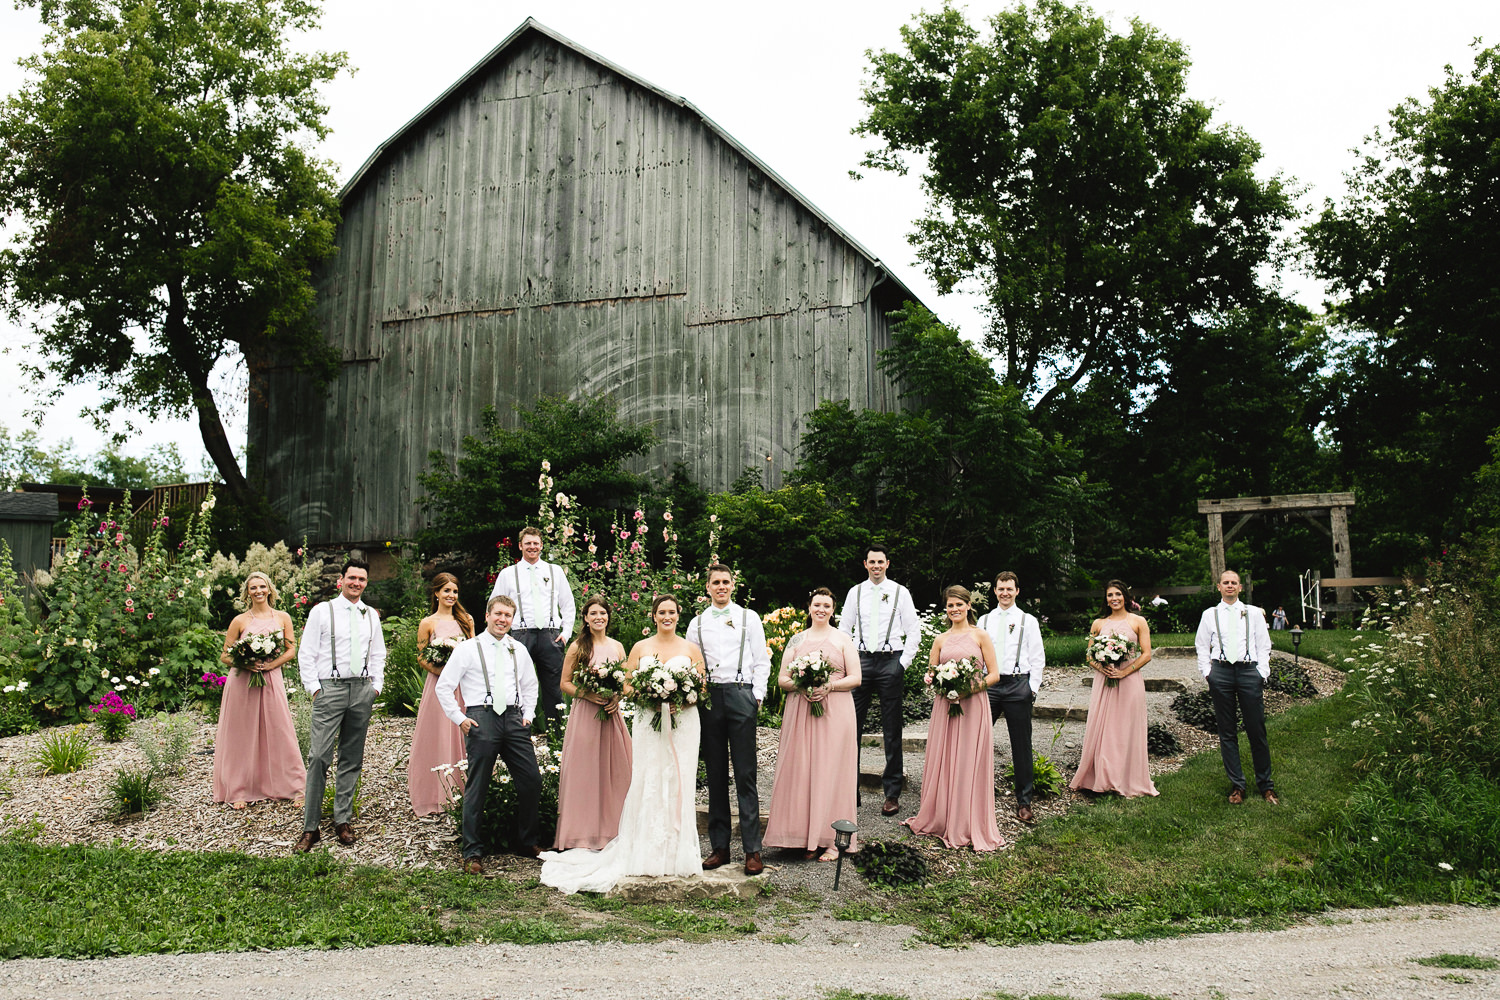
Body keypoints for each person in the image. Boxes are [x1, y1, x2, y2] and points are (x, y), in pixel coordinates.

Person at [539, 594, 707, 894]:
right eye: (661, 612)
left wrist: (679, 698)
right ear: (653, 616)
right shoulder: (640, 648)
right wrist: (651, 697)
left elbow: (702, 684)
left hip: (683, 723)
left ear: (678, 615)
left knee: (679, 779)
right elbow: (628, 683)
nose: (666, 616)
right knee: (648, 777)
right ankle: (646, 850)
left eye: (671, 612)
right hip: (649, 720)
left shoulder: (691, 648)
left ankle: (678, 851)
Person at [436, 594, 543, 874]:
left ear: (512, 619)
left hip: (513, 718)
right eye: (498, 614)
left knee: (531, 779)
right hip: (480, 717)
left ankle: (526, 841)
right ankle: (472, 851)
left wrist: (528, 715)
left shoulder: (518, 649)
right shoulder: (467, 648)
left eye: (508, 615)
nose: (502, 619)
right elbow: (444, 686)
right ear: (487, 615)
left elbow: (530, 685)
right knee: (477, 786)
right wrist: (460, 718)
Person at [294, 558, 387, 852]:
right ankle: (310, 828)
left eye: (361, 579)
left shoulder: (370, 614)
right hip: (330, 689)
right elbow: (306, 653)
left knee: (351, 757)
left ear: (366, 582)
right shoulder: (323, 611)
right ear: (341, 579)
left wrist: (376, 686)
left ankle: (342, 820)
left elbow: (378, 653)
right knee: (319, 757)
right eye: (351, 578)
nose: (356, 583)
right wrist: (315, 689)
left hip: (361, 689)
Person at [763, 587, 863, 860]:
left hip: (836, 713)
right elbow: (782, 680)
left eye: (827, 605)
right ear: (809, 607)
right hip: (801, 711)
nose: (821, 609)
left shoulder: (843, 639)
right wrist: (802, 685)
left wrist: (828, 685)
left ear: (833, 610)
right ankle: (802, 837)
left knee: (832, 771)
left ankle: (832, 840)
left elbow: (856, 678)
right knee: (802, 769)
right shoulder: (797, 640)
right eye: (817, 604)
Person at [687, 564, 772, 876]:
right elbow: (692, 664)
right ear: (708, 588)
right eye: (715, 583)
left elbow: (761, 660)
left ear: (732, 585)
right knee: (716, 774)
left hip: (740, 695)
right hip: (711, 698)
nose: (721, 587)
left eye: (725, 582)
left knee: (746, 774)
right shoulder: (696, 624)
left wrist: (757, 697)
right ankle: (720, 848)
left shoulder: (749, 618)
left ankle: (752, 850)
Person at [904, 586, 1003, 850]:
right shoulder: (939, 639)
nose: (954, 609)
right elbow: (931, 673)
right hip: (945, 707)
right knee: (945, 757)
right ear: (945, 609)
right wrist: (936, 681)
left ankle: (968, 820)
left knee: (969, 757)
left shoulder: (980, 635)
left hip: (973, 705)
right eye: (950, 605)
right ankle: (942, 815)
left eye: (959, 604)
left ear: (969, 606)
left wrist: (967, 689)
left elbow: (994, 675)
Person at [839, 544, 920, 817]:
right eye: (871, 562)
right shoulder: (855, 592)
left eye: (880, 562)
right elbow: (843, 630)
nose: (876, 566)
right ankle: (850, 792)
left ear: (888, 563)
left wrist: (901, 665)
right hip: (860, 661)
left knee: (892, 730)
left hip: (890, 661)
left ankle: (892, 793)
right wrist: (847, 663)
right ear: (865, 564)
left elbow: (914, 632)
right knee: (851, 727)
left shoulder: (900, 592)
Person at [214, 571, 305, 810]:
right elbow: (225, 655)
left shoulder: (283, 617)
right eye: (253, 588)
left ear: (269, 589)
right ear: (247, 593)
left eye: (262, 586)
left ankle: (294, 787)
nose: (258, 591)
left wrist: (269, 665)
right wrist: (246, 662)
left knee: (279, 731)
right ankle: (238, 790)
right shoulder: (240, 621)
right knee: (242, 735)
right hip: (243, 682)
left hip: (271, 679)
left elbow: (290, 650)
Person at [553, 596, 632, 849]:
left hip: (610, 715)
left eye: (603, 612)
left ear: (608, 616)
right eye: (593, 613)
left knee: (616, 771)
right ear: (585, 618)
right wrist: (588, 694)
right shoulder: (578, 647)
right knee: (585, 771)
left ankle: (614, 829)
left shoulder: (618, 646)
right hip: (586, 713)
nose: (599, 617)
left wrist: (616, 697)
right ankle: (582, 833)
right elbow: (564, 683)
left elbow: (626, 681)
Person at [1195, 570, 1277, 805]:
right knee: (1227, 731)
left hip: (1248, 671)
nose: (1230, 586)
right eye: (1225, 583)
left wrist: (1262, 672)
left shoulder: (1253, 613)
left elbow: (1264, 644)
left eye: (1234, 583)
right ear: (1219, 587)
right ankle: (1237, 785)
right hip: (1220, 672)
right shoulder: (1210, 614)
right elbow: (1201, 645)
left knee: (1256, 729)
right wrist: (1207, 672)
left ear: (1240, 588)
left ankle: (1266, 785)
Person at [1070, 580, 1158, 799]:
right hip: (1105, 680)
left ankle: (1126, 778)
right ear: (1106, 599)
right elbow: (1089, 655)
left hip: (1129, 681)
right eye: (1110, 595)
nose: (1114, 599)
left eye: (1118, 594)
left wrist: (1124, 672)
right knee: (1104, 728)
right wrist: (1104, 667)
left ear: (1125, 596)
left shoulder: (1138, 621)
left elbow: (1146, 654)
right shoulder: (1098, 623)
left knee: (1125, 729)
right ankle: (1101, 777)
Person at [489, 526, 576, 735]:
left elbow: (568, 604)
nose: (532, 547)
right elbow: (494, 606)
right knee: (517, 686)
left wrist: (565, 634)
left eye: (536, 543)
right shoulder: (508, 574)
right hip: (521, 635)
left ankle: (556, 738)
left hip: (551, 635)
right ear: (520, 546)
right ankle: (516, 735)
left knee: (553, 690)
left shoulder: (554, 571)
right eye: (528, 543)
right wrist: (501, 636)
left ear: (542, 546)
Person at [976, 571, 1045, 824]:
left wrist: (1032, 688)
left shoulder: (1028, 620)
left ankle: (1024, 800)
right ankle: (976, 793)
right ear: (994, 591)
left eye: (1009, 589)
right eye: (1000, 588)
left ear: (1017, 591)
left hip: (1018, 685)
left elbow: (1037, 657)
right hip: (990, 686)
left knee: (1021, 744)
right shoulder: (983, 620)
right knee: (978, 738)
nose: (1005, 593)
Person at [407, 573, 474, 817]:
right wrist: (444, 674)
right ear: (436, 593)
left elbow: (473, 651)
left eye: (455, 591)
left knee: (462, 732)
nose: (451, 596)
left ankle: (464, 791)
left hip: (463, 686)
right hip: (439, 685)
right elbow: (422, 656)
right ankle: (433, 794)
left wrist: (460, 675)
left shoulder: (466, 620)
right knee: (437, 734)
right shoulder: (428, 623)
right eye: (446, 591)